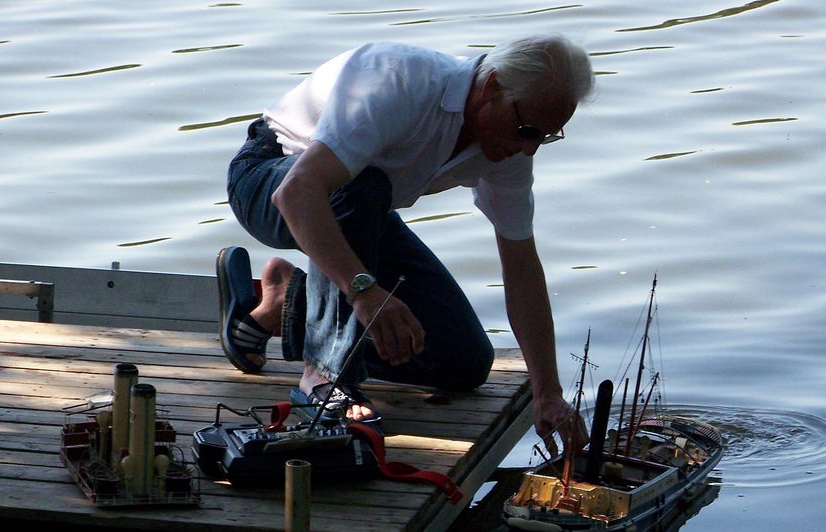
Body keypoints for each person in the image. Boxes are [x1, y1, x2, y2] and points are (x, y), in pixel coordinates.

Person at [221, 34, 592, 455]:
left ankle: (292, 301)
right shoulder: (399, 80)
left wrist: (548, 392)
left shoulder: (509, 147)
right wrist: (364, 290)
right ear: (491, 88)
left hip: (358, 209)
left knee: (463, 363)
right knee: (363, 186)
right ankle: (324, 376)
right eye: (527, 131)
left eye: (545, 137)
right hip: (268, 177)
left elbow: (521, 266)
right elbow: (296, 192)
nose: (529, 148)